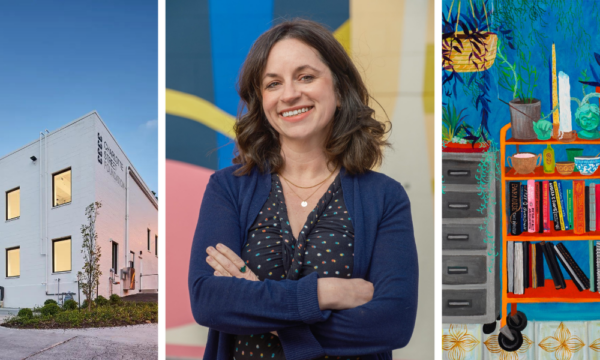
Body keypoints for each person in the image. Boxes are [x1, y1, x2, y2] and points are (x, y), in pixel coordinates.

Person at [188, 19, 418, 360]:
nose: (290, 93)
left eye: (306, 76)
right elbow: (210, 301)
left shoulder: (385, 197)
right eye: (273, 84)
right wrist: (324, 293)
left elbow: (392, 324)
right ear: (262, 102)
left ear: (339, 91)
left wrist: (260, 305)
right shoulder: (228, 188)